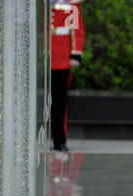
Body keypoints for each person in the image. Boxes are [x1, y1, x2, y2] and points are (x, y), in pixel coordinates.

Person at [51, 0, 85, 151]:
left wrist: (76, 53)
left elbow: (77, 28)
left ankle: (59, 140)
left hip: (61, 56)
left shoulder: (71, 3)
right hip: (42, 56)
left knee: (60, 101)